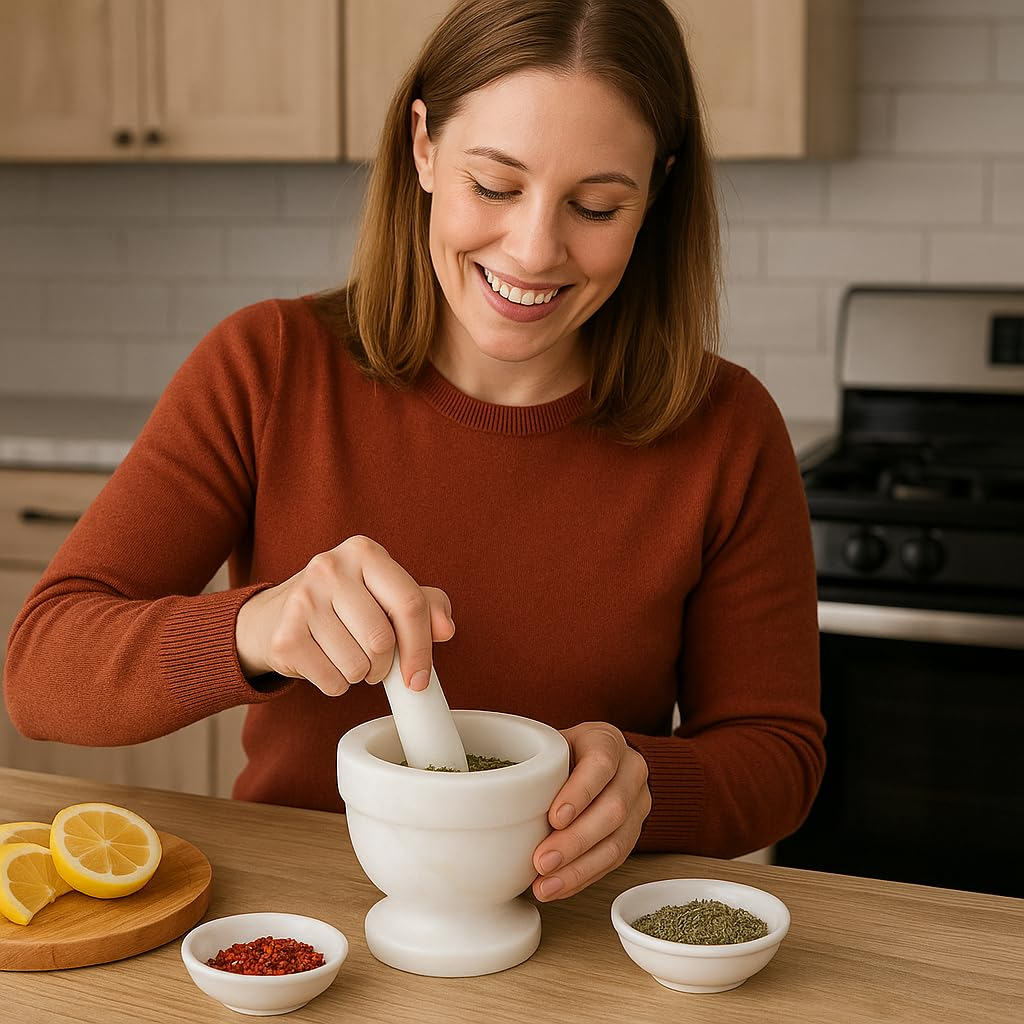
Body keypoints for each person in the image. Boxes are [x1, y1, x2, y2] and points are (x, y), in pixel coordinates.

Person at [4, 0, 825, 905]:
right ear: (424, 146)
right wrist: (255, 628)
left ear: (656, 193)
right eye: (496, 186)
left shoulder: (727, 428)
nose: (535, 249)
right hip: (299, 924)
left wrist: (646, 787)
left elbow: (777, 756)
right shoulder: (269, 367)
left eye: (596, 205)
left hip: (577, 936)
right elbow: (43, 672)